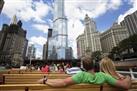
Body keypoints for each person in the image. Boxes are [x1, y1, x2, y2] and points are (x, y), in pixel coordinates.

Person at [38, 56, 131, 90]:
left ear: (83, 66)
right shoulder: (103, 76)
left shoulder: (81, 75)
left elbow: (63, 82)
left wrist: (46, 80)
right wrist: (127, 76)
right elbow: (125, 86)